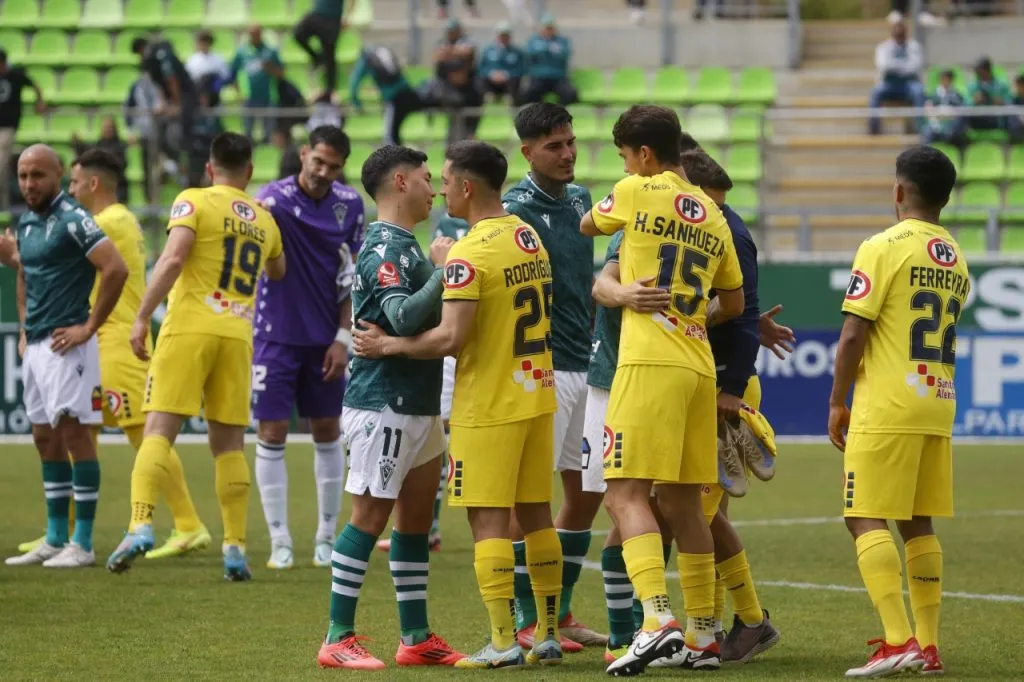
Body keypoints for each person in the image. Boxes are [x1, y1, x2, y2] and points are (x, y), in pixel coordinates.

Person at [353, 141, 566, 669]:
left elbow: (448, 339)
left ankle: (501, 641)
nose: (441, 187)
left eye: (446, 179)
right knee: (537, 518)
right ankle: (547, 634)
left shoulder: (470, 251)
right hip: (538, 394)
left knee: (488, 522)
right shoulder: (528, 237)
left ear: (467, 187)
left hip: (490, 402)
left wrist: (389, 345)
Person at [579, 105, 746, 674]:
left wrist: (632, 283)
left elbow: (587, 226)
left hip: (648, 363)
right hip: (699, 366)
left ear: (644, 155)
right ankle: (703, 635)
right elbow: (737, 304)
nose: (627, 164)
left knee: (624, 494)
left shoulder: (635, 189)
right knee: (681, 502)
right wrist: (690, 309)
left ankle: (656, 621)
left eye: (627, 154)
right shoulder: (714, 214)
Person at [105, 133, 286, 581]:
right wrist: (261, 219)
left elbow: (171, 259)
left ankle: (141, 523)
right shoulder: (264, 220)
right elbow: (278, 271)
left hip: (189, 328)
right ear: (249, 171)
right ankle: (235, 548)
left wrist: (140, 317)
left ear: (210, 168)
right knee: (228, 444)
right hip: (238, 336)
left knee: (159, 430)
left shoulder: (194, 200)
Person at [316, 144, 463, 670]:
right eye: (427, 178)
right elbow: (400, 318)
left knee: (416, 522)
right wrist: (443, 271)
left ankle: (416, 637)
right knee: (369, 516)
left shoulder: (405, 245)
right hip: (384, 404)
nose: (436, 188)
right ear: (400, 183)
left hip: (418, 404)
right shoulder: (384, 247)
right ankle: (337, 637)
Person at [828, 145, 965, 678]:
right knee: (917, 520)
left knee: (862, 515)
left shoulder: (883, 245)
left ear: (899, 191)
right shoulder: (955, 255)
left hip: (887, 403)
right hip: (937, 401)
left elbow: (854, 331)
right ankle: (926, 646)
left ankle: (896, 639)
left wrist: (838, 400)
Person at [648, 149, 781, 666]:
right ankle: (730, 623)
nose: (715, 212)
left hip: (720, 389)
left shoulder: (728, 231)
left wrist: (731, 385)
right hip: (700, 381)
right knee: (697, 508)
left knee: (694, 511)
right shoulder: (702, 222)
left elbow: (741, 313)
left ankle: (736, 623)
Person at [62, 149, 212, 561]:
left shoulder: (110, 221)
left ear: (93, 184)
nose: (70, 190)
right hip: (99, 342)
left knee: (147, 436)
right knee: (80, 434)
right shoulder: (117, 220)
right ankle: (70, 536)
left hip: (115, 342)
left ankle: (188, 524)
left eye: (74, 183)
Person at [500, 103, 603, 650]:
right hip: (541, 370)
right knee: (532, 503)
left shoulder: (584, 198)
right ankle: (525, 619)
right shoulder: (515, 210)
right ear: (527, 152)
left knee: (587, 491)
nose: (567, 154)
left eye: (570, 142)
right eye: (553, 146)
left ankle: (558, 613)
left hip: (586, 363)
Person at [3, 145, 128, 568]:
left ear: (57, 175)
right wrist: (23, 326)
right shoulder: (27, 222)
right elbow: (27, 274)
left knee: (75, 434)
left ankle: (84, 543)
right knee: (43, 437)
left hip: (68, 343)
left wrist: (89, 327)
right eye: (22, 175)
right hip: (37, 344)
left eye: (37, 175)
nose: (28, 184)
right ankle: (55, 537)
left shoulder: (74, 219)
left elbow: (116, 268)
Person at [252, 126, 364, 570]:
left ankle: (324, 537)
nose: (323, 172)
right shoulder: (271, 201)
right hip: (274, 337)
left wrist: (342, 338)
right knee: (272, 434)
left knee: (327, 431)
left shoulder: (350, 205)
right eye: (317, 161)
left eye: (333, 166)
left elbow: (350, 276)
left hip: (324, 341)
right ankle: (280, 540)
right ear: (303, 154)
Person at [375, 209, 468, 556]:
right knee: (439, 433)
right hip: (447, 337)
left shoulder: (497, 223)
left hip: (470, 339)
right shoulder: (446, 223)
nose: (441, 191)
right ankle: (428, 526)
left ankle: (431, 526)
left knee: (447, 434)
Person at [131, 36, 199, 176]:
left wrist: (176, 103)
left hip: (185, 95)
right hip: (172, 97)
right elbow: (161, 85)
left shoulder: (161, 55)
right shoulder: (150, 63)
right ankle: (170, 163)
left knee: (181, 130)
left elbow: (172, 80)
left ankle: (189, 167)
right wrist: (163, 103)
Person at [348, 45, 423, 146]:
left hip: (393, 99)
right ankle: (399, 157)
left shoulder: (366, 59)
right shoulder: (384, 51)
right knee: (394, 133)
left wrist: (357, 103)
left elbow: (354, 83)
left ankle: (396, 160)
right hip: (408, 92)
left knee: (390, 136)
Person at [0, 49, 46, 210]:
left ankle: (3, 205)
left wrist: (39, 102)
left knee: (1, 165)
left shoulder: (15, 76)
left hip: (7, 126)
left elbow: (34, 86)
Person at [227, 25, 284, 143]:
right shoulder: (241, 53)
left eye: (256, 33)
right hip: (248, 98)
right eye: (251, 34)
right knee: (247, 133)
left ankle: (267, 156)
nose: (254, 37)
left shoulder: (270, 52)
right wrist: (238, 92)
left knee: (269, 132)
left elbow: (281, 74)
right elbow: (232, 74)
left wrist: (270, 68)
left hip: (268, 97)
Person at [430, 18, 482, 143]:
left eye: (454, 31)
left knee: (472, 109)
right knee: (453, 119)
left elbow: (468, 52)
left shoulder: (467, 41)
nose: (451, 33)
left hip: (468, 90)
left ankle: (469, 136)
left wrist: (449, 52)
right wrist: (456, 52)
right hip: (447, 90)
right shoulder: (442, 42)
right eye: (449, 31)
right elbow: (437, 57)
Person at [868, 21, 924, 136]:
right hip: (889, 84)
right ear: (892, 35)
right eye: (897, 35)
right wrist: (903, 67)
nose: (899, 39)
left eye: (901, 35)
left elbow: (915, 67)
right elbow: (883, 66)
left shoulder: (914, 46)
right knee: (876, 92)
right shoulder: (883, 47)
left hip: (909, 84)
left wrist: (895, 66)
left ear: (905, 34)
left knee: (919, 92)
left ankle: (918, 127)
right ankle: (874, 127)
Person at [293, 0, 355, 102]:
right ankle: (317, 58)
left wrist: (347, 17)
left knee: (329, 55)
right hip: (317, 15)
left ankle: (330, 89)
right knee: (298, 34)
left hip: (332, 19)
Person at [521, 15, 577, 106]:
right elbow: (528, 54)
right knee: (529, 93)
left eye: (550, 28)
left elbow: (566, 54)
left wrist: (553, 49)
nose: (548, 30)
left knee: (570, 93)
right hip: (538, 77)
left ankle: (561, 114)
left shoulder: (562, 41)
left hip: (558, 77)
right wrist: (543, 48)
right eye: (546, 28)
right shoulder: (533, 40)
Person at [71, 116, 129, 204]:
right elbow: (87, 155)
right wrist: (78, 144)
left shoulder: (121, 146)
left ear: (114, 129)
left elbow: (122, 164)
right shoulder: (98, 144)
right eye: (105, 127)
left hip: (117, 185)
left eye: (109, 127)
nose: (107, 130)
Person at [966, 57, 1022, 143]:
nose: (979, 73)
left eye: (982, 70)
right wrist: (974, 101)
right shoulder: (972, 87)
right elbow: (964, 106)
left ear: (988, 70)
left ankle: (1018, 138)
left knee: (1012, 117)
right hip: (978, 119)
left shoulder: (1001, 85)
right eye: (978, 71)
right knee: (962, 117)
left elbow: (1011, 103)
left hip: (997, 120)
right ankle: (952, 137)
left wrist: (1002, 102)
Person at [479, 23, 526, 104]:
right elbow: (481, 68)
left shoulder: (516, 51)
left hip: (509, 81)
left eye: (506, 35)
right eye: (501, 35)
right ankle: (487, 96)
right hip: (491, 80)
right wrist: (491, 73)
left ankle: (511, 101)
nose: (503, 38)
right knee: (479, 81)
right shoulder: (488, 50)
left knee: (516, 82)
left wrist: (506, 74)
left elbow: (521, 68)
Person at [921, 69, 968, 147]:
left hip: (952, 126)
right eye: (943, 78)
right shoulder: (933, 95)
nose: (945, 81)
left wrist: (950, 113)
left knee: (960, 136)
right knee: (927, 133)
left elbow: (960, 111)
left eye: (947, 79)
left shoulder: (957, 95)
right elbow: (928, 109)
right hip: (936, 124)